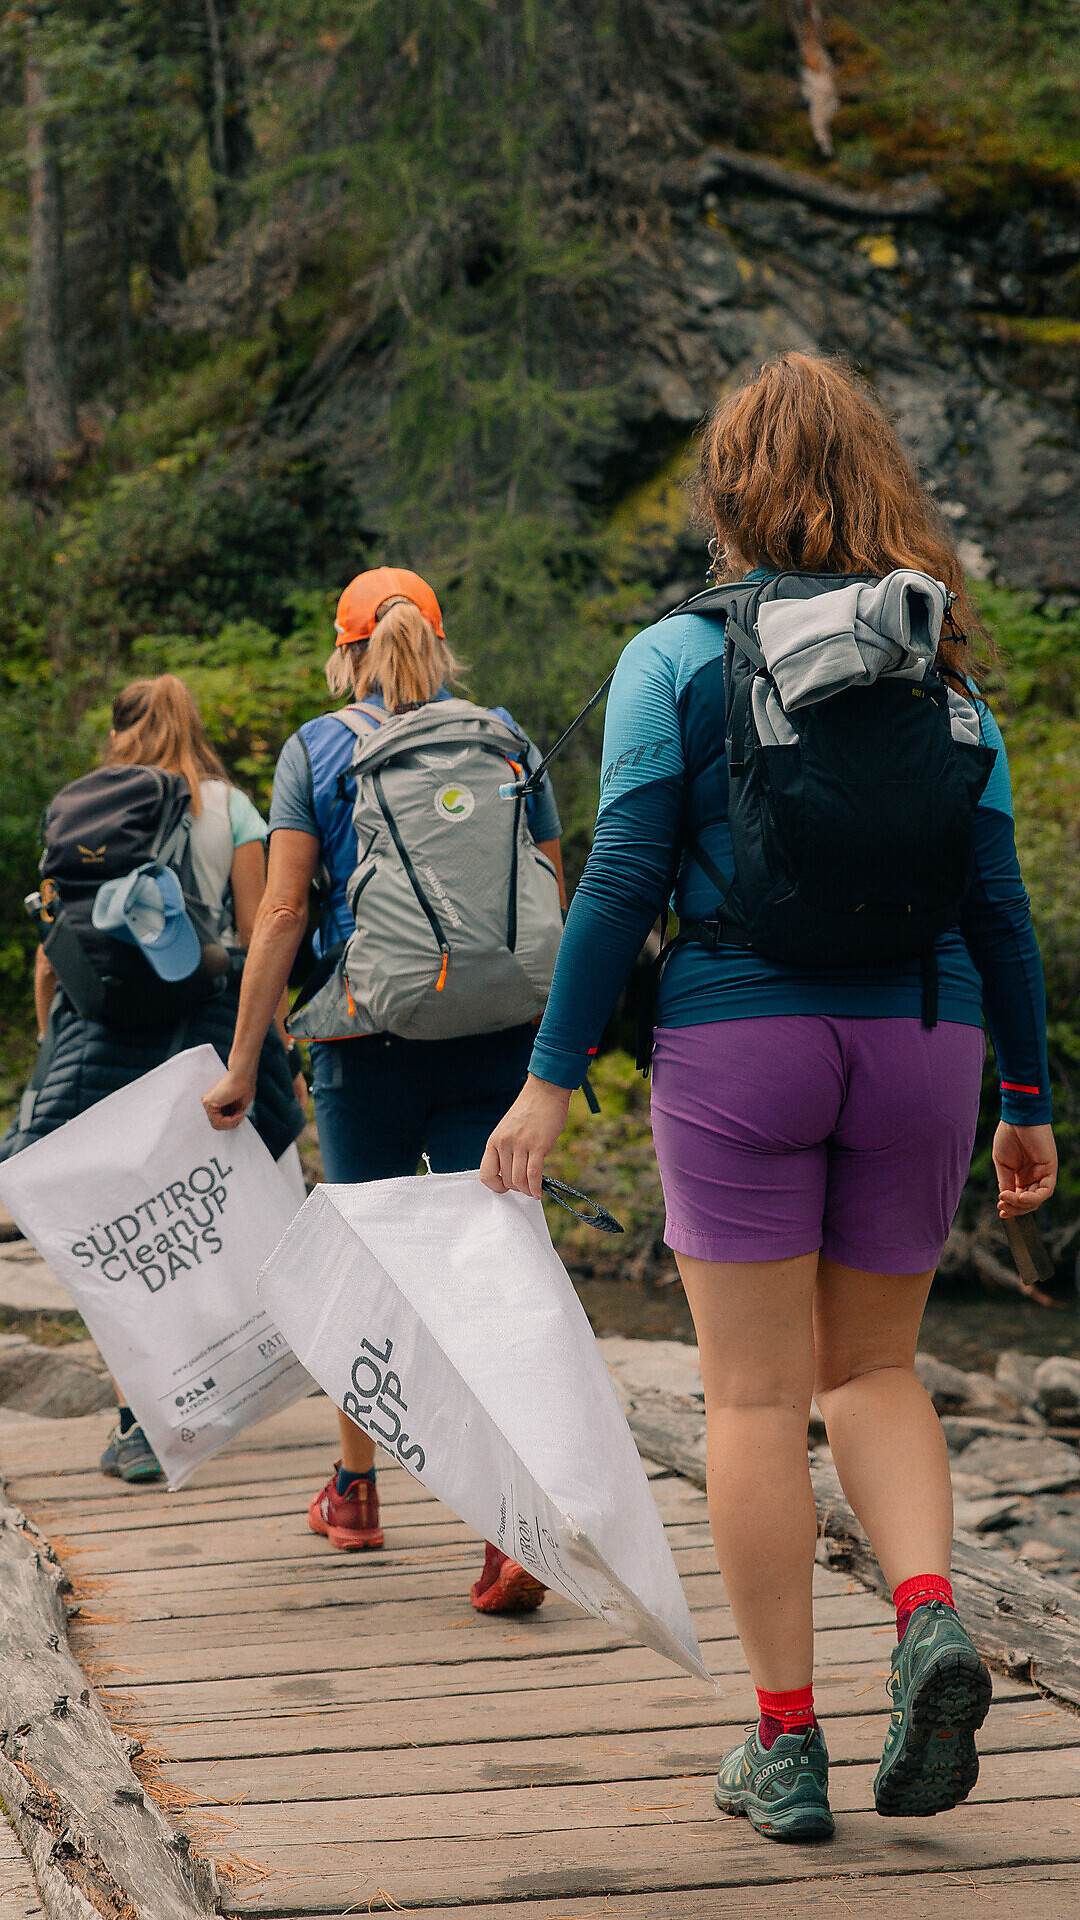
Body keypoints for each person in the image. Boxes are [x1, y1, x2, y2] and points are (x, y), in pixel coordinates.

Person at [481, 353, 1056, 1836]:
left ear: (728, 488)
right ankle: (926, 1611)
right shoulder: (940, 663)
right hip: (927, 1038)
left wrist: (550, 1079)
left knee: (747, 1393)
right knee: (872, 1371)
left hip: (742, 1033)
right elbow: (998, 906)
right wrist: (1028, 1093)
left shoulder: (677, 653)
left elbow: (620, 876)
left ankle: (786, 1744)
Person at [202, 566, 567, 1613]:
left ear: (345, 648)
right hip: (499, 1040)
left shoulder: (317, 749)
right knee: (492, 1274)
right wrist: (559, 1056)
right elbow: (548, 890)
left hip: (363, 1038)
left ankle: (357, 1492)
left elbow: (278, 915)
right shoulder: (503, 735)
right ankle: (509, 1526)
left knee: (365, 1271)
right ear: (437, 642)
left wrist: (241, 1064)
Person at [1, 674, 306, 1482]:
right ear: (193, 724)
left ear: (119, 730)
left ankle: (139, 1420)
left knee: (123, 1237)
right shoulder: (230, 809)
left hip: (101, 1038)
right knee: (200, 1220)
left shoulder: (85, 810)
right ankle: (228, 1374)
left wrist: (55, 1040)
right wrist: (270, 1051)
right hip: (203, 1039)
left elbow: (50, 956)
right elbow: (252, 939)